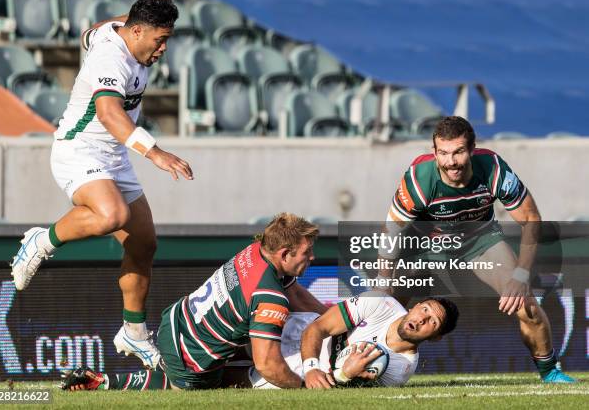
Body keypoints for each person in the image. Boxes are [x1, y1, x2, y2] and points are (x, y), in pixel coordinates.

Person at [10, 0, 193, 369]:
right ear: (137, 31)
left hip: (114, 157)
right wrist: (155, 152)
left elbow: (91, 31)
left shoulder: (115, 31)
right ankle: (40, 241)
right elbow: (110, 114)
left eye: (168, 39)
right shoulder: (110, 57)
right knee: (111, 215)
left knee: (144, 243)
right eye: (160, 39)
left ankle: (134, 331)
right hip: (79, 150)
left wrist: (151, 7)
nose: (163, 48)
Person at [380, 116, 575, 383]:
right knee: (386, 307)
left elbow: (530, 219)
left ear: (472, 149)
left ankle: (550, 372)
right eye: (443, 153)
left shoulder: (493, 169)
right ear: (434, 151)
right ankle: (358, 362)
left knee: (525, 305)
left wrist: (520, 276)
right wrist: (384, 281)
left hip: (479, 242)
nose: (451, 162)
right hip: (424, 244)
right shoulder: (418, 181)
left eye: (458, 152)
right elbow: (391, 233)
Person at [61, 213, 322, 391]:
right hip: (189, 356)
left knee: (250, 351)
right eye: (306, 252)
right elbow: (269, 365)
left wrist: (333, 317)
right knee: (237, 380)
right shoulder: (269, 295)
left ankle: (116, 375)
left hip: (175, 320)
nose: (312, 257)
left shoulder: (255, 252)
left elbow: (296, 294)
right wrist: (305, 386)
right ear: (284, 254)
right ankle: (122, 379)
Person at [248, 292, 458, 389]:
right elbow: (318, 327)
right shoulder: (380, 303)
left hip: (306, 375)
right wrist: (311, 367)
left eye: (432, 321)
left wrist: (344, 375)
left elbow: (346, 396)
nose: (421, 319)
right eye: (424, 309)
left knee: (230, 382)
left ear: (436, 337)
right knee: (229, 347)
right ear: (415, 306)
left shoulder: (400, 370)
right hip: (296, 333)